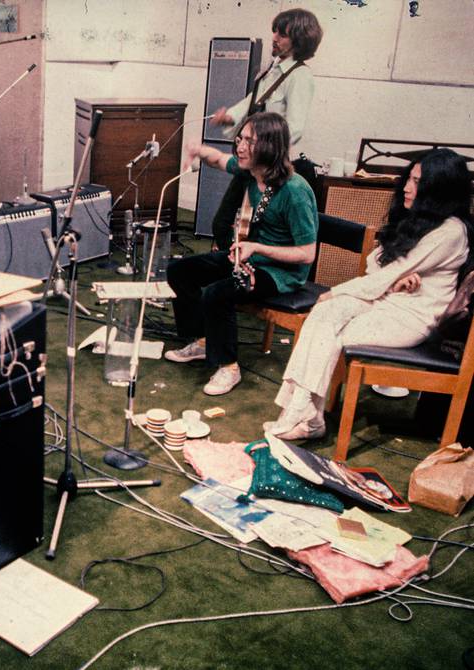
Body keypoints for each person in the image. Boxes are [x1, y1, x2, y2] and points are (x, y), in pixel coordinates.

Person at [269, 148, 474, 440]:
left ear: (439, 190)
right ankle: (303, 415)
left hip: (411, 317)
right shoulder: (418, 219)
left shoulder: (451, 231)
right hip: (384, 299)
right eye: (409, 178)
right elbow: (375, 263)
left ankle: (303, 415)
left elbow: (384, 274)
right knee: (324, 315)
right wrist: (395, 277)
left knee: (331, 332)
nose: (406, 187)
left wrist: (337, 291)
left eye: (417, 182)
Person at [166, 112, 318, 396]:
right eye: (241, 139)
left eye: (250, 141)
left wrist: (256, 248)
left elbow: (307, 254)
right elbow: (218, 159)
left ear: (270, 146)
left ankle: (229, 367)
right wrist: (198, 149)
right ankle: (203, 340)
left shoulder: (295, 191)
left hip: (281, 273)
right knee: (180, 271)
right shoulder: (251, 171)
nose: (240, 147)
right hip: (248, 258)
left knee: (217, 293)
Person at [209, 8, 323, 246]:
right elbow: (251, 102)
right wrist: (229, 117)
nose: (274, 38)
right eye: (275, 31)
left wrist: (265, 150)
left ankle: (247, 263)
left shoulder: (300, 76)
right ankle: (232, 261)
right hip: (252, 161)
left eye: (282, 34)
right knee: (222, 223)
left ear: (298, 41)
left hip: (269, 166)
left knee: (254, 228)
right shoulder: (272, 70)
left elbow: (295, 127)